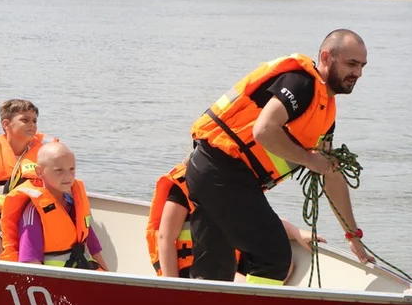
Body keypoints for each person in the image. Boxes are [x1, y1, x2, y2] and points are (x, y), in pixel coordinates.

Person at [186, 29, 374, 286]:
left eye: (362, 66)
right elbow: (264, 130)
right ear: (326, 57)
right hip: (221, 171)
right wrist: (309, 160)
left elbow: (330, 173)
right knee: (273, 256)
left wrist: (352, 234)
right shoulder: (301, 84)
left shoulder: (325, 112)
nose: (358, 73)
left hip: (215, 175)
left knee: (213, 272)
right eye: (351, 64)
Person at [145, 160, 325, 279]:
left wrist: (296, 232)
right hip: (192, 269)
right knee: (240, 280)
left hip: (227, 259)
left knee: (283, 262)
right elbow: (165, 238)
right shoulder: (184, 187)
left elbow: (261, 220)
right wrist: (175, 287)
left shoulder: (231, 186)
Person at [0, 142, 109, 270]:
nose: (68, 176)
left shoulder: (74, 205)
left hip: (84, 274)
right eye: (59, 170)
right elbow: (30, 264)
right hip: (55, 282)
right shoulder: (34, 212)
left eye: (72, 169)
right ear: (39, 172)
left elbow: (94, 251)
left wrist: (111, 281)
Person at [0, 99, 53, 256]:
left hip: (31, 222)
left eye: (34, 120)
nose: (32, 125)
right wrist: (6, 226)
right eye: (25, 120)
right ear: (6, 124)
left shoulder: (44, 155)